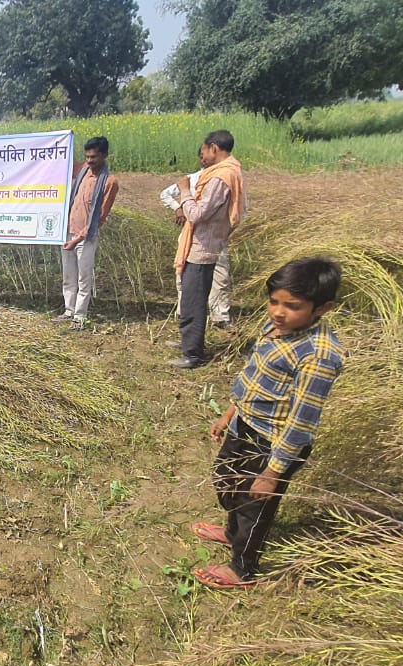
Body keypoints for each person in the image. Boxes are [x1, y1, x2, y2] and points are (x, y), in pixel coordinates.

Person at [190, 258, 345, 589]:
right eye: (274, 301)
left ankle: (242, 568)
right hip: (245, 424)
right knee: (227, 480)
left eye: (293, 306)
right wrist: (229, 414)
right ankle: (232, 533)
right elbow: (254, 377)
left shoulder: (318, 355)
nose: (278, 312)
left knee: (255, 506)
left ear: (323, 308)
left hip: (273, 444)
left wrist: (272, 473)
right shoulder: (275, 328)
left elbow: (301, 422)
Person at [169, 130, 246, 369]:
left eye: (204, 150)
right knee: (192, 297)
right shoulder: (227, 172)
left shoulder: (220, 177)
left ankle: (192, 354)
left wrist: (184, 191)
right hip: (202, 245)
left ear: (214, 148)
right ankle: (189, 342)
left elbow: (197, 214)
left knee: (193, 300)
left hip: (202, 248)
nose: (202, 155)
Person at [159, 147, 240, 331]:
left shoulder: (224, 178)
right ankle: (184, 314)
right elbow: (166, 194)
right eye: (201, 157)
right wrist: (178, 208)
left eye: (206, 156)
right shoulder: (193, 179)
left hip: (214, 237)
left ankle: (220, 316)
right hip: (191, 235)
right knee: (185, 278)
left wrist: (225, 229)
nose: (203, 160)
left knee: (220, 277)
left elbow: (239, 208)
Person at [56, 136, 119, 330]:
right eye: (87, 157)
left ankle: (80, 315)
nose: (90, 161)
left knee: (84, 278)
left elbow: (99, 218)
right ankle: (69, 310)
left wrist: (77, 239)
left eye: (94, 157)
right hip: (68, 232)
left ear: (104, 155)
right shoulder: (83, 171)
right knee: (68, 276)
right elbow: (60, 166)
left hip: (85, 238)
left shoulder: (109, 182)